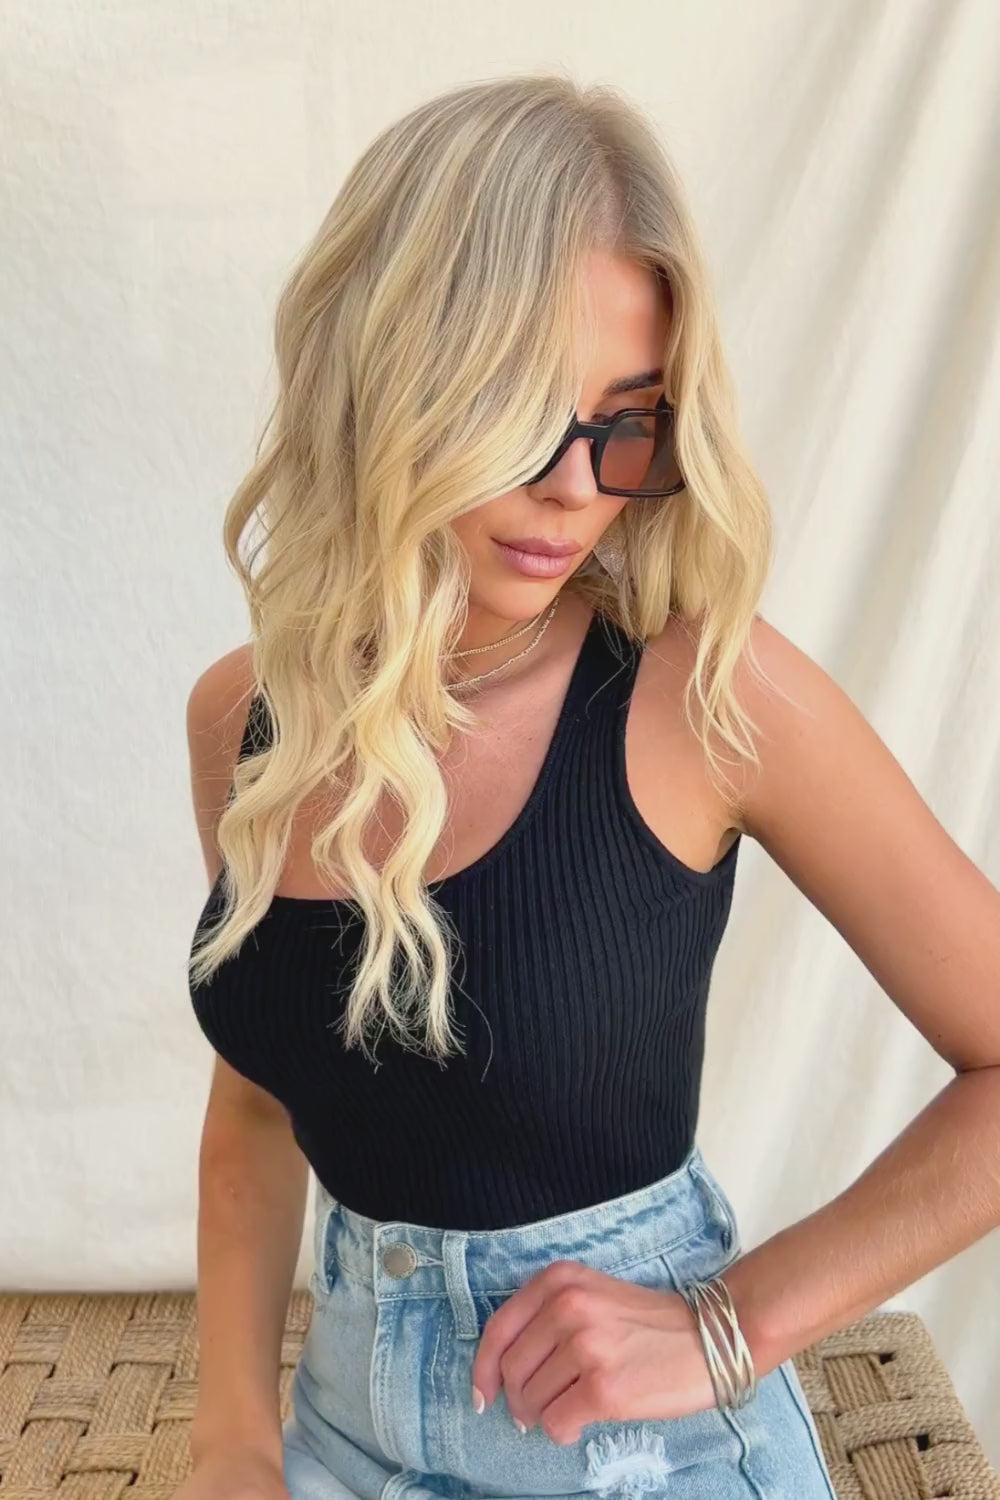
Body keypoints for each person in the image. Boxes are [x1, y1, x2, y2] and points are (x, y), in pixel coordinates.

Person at [182, 74, 1000, 1500]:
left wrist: (732, 1327)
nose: (579, 489)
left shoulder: (708, 699)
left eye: (628, 424)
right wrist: (233, 1442)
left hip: (641, 1454)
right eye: (519, 414)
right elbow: (257, 1108)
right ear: (381, 378)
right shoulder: (248, 721)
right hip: (338, 1433)